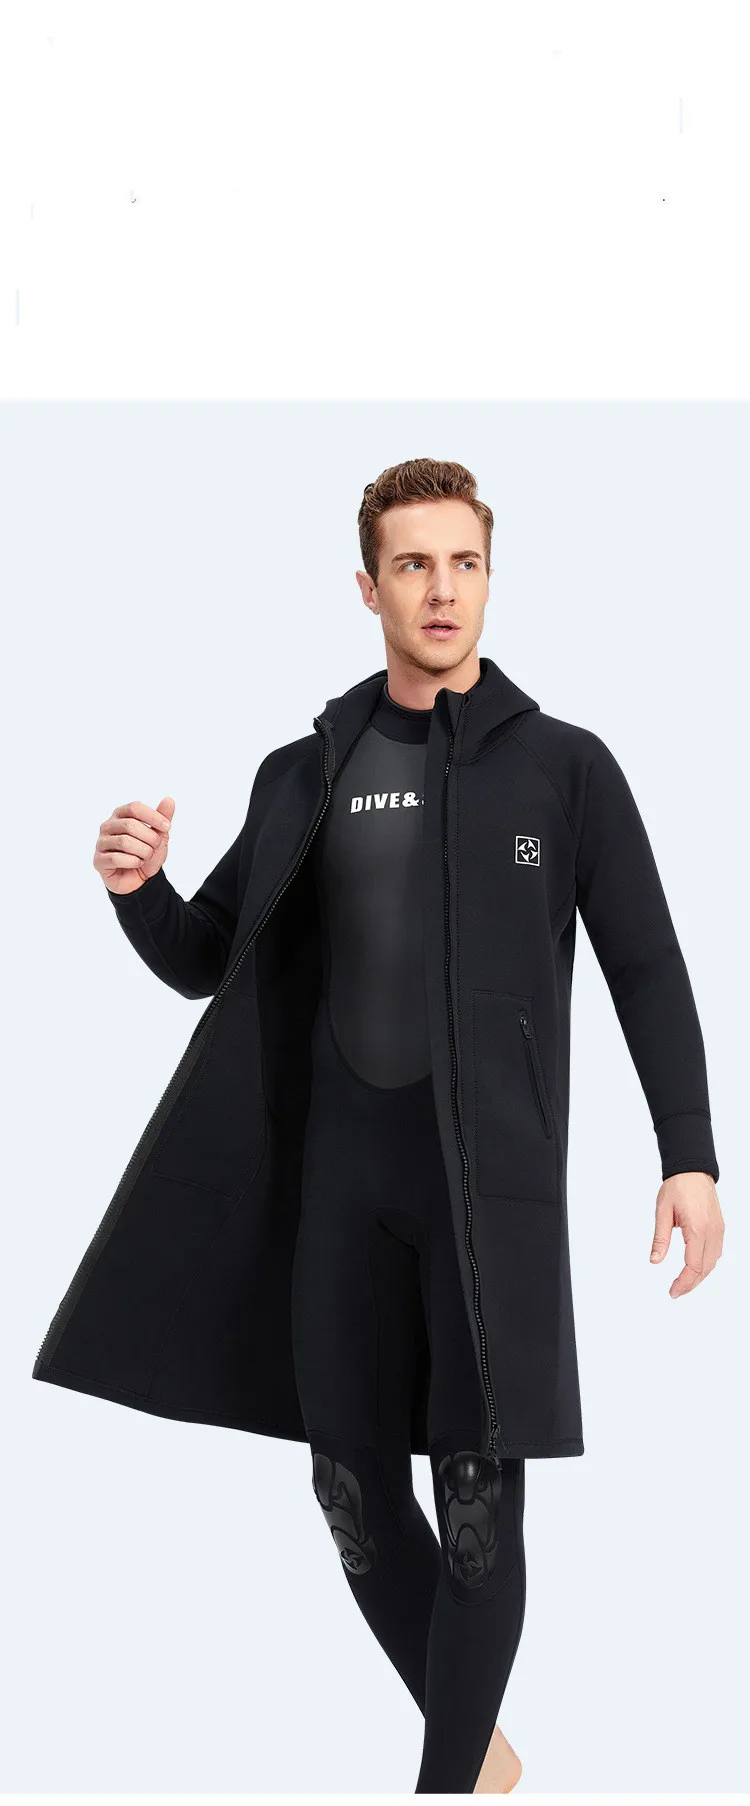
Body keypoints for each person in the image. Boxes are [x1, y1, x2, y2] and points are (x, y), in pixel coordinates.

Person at [34, 458, 724, 1794]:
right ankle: (480, 1757)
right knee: (349, 1494)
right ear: (368, 587)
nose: (440, 589)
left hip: (487, 1199)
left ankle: (442, 1780)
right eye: (413, 564)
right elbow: (208, 954)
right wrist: (138, 890)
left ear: (490, 578)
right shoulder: (306, 772)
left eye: (463, 562)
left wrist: (686, 1154)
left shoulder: (564, 768)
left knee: (477, 1501)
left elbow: (645, 962)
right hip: (337, 1196)